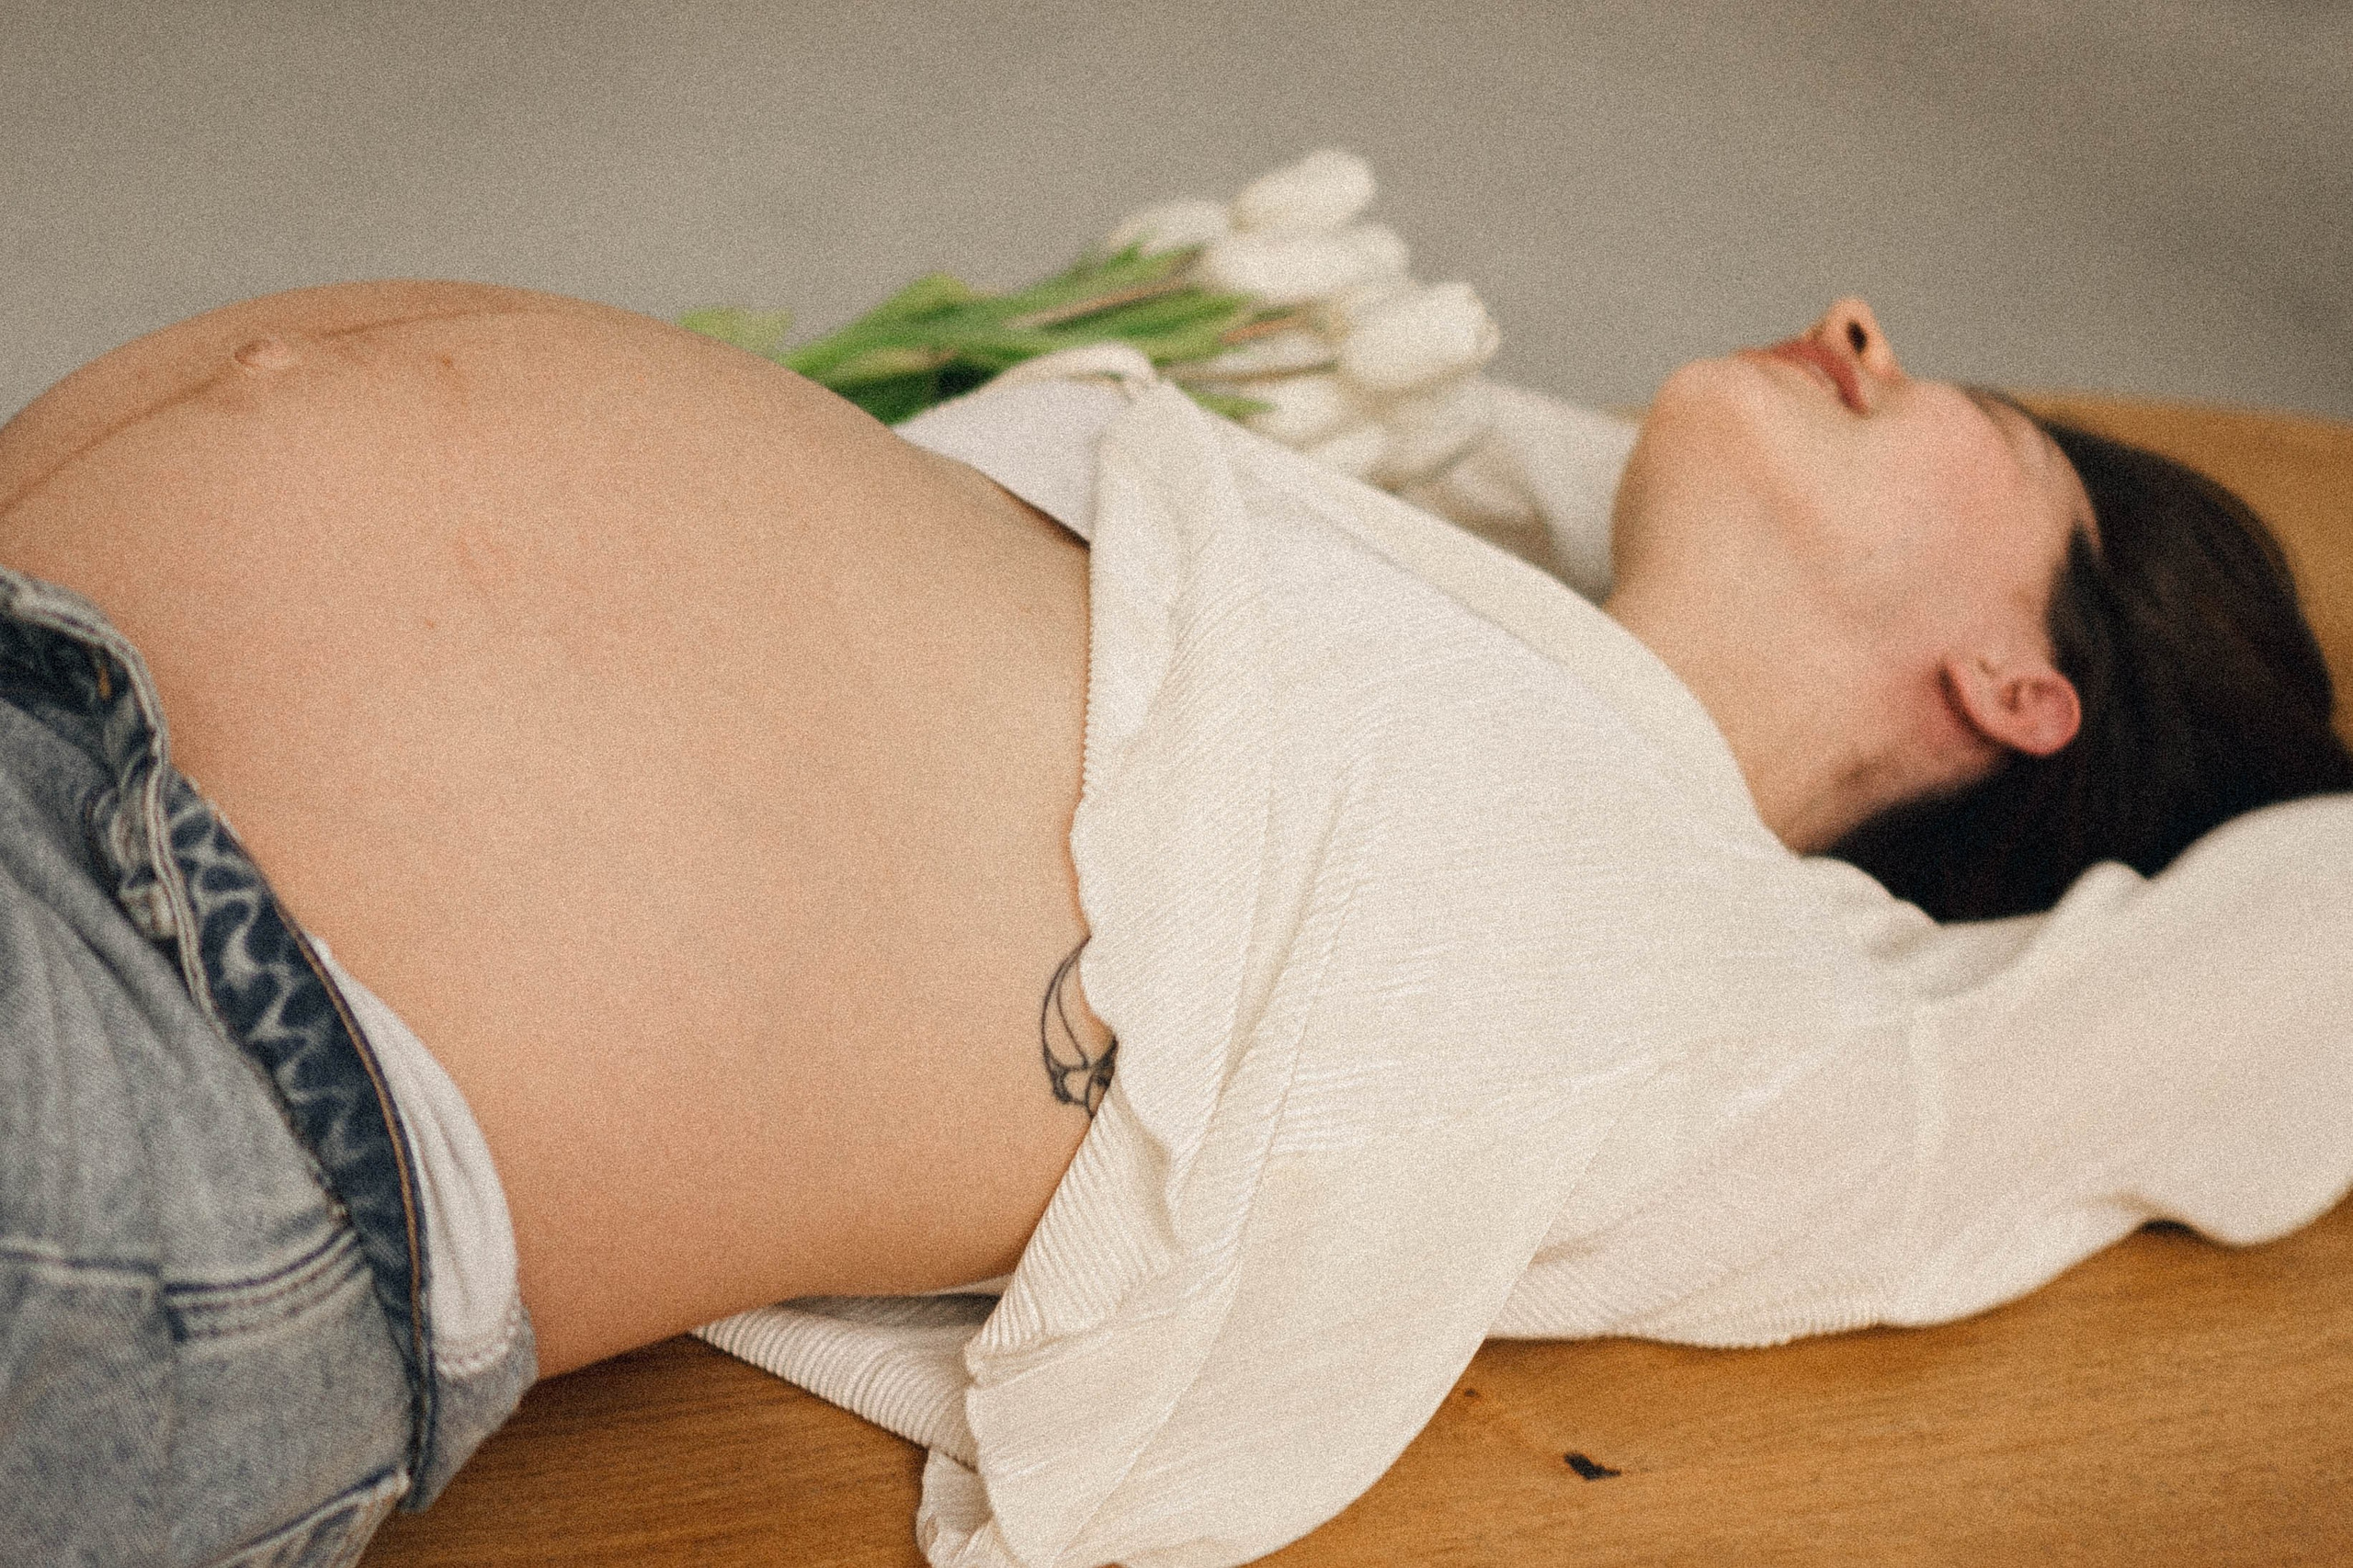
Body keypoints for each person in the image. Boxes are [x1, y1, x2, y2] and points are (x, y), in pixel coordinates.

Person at [1, 280, 2345, 1566]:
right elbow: (1507, 438)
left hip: (209, 1074)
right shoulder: (1408, 581)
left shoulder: (1737, 986)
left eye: (1962, 417)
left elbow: (2270, 966)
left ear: (2021, 687)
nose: (1849, 322)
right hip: (71, 767)